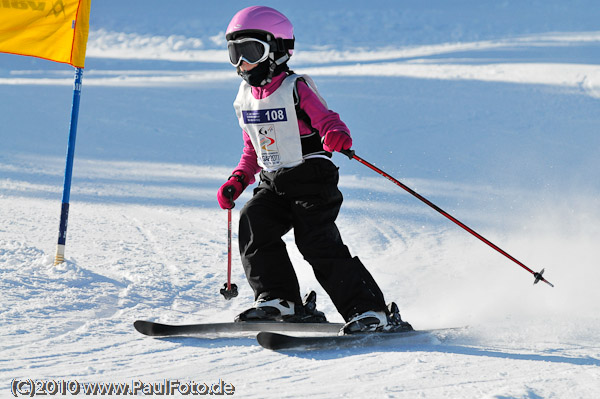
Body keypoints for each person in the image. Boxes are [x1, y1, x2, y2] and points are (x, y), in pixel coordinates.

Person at [217, 6, 412, 334]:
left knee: (315, 239)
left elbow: (328, 120)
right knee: (254, 221)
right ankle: (279, 300)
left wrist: (336, 134)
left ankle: (370, 310)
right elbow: (253, 149)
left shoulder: (295, 88)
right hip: (272, 180)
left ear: (277, 50)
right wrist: (238, 178)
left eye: (250, 51)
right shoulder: (245, 99)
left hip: (311, 176)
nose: (242, 63)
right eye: (234, 53)